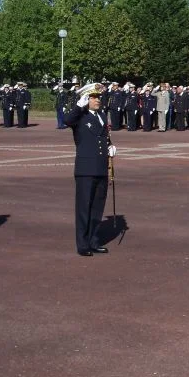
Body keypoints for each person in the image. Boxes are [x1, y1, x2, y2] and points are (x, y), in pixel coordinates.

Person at [65, 83, 117, 256]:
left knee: (97, 208)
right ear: (86, 99)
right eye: (93, 97)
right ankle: (83, 244)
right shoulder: (80, 116)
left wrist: (111, 147)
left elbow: (103, 137)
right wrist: (79, 106)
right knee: (83, 208)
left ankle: (94, 241)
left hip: (101, 167)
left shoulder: (102, 115)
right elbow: (68, 121)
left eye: (98, 97)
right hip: (86, 169)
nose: (97, 100)